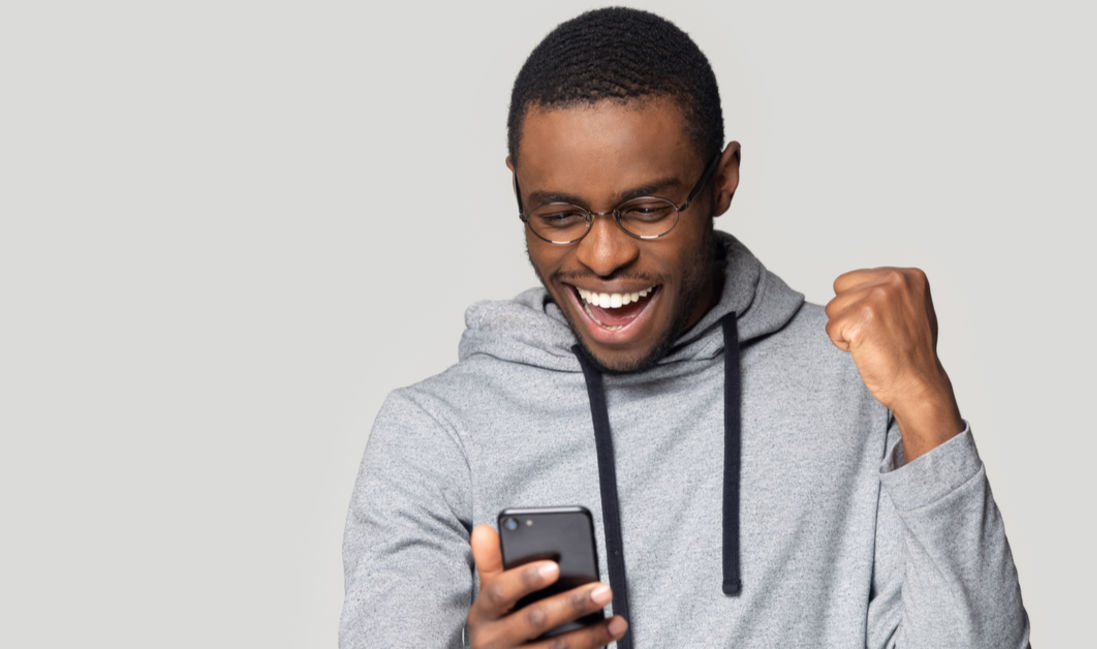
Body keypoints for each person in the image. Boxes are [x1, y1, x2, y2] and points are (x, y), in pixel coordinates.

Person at [340, 7, 1030, 648]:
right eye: (559, 215)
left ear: (722, 181)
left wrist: (927, 403)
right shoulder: (439, 434)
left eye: (647, 209)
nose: (603, 256)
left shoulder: (858, 384)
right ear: (517, 189)